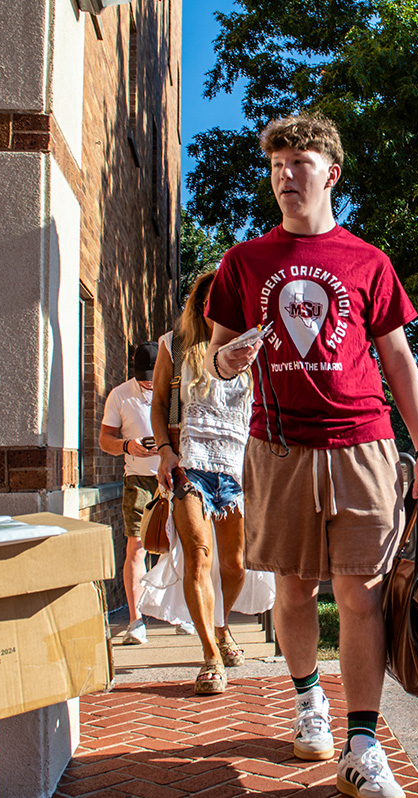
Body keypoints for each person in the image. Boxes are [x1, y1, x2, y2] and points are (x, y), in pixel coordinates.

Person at [205, 113, 418, 798]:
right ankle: (308, 696)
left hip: (365, 444)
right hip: (278, 450)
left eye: (298, 163)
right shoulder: (243, 263)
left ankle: (361, 744)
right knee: (293, 587)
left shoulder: (369, 261)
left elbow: (399, 359)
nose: (285, 176)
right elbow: (217, 359)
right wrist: (231, 357)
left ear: (330, 173)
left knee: (361, 594)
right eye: (277, 165)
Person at [150, 271, 253, 694]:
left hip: (237, 470)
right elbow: (158, 402)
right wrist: (164, 450)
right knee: (199, 555)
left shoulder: (250, 351)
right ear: (200, 305)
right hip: (188, 466)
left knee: (235, 564)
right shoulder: (174, 345)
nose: (219, 311)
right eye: (212, 303)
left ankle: (223, 623)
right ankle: (210, 655)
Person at [99, 342, 195, 643]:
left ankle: (182, 614)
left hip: (176, 476)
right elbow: (105, 439)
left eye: (153, 376)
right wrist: (128, 446)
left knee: (183, 546)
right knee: (137, 548)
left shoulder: (177, 393)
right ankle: (136, 620)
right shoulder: (120, 395)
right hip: (139, 480)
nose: (149, 382)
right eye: (143, 377)